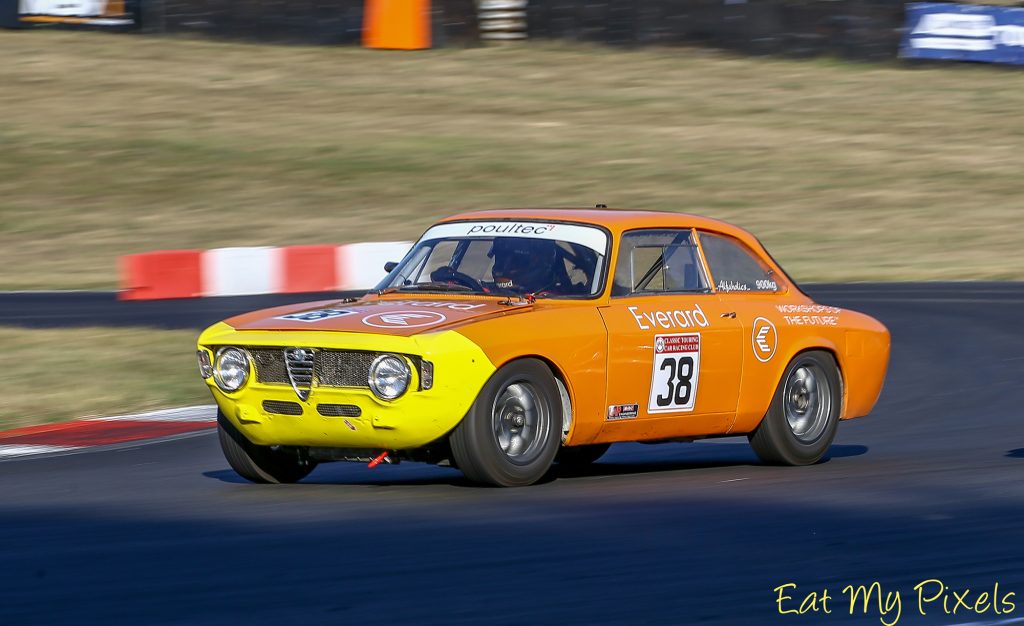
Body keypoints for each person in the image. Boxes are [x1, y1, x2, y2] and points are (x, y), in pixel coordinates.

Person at [488, 237, 562, 294]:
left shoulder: (561, 301)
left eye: (516, 261)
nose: (505, 268)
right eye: (501, 260)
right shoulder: (482, 291)